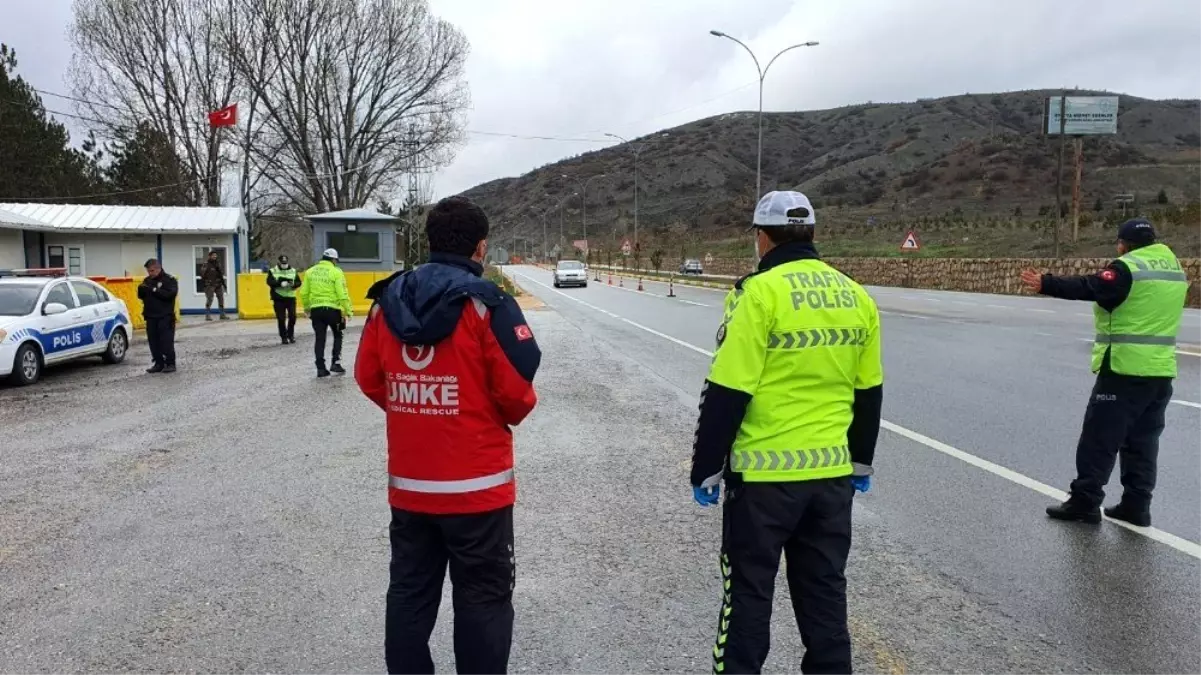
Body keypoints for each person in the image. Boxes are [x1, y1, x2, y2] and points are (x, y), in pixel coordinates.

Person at [691, 191, 883, 674]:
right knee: (825, 600)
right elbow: (869, 392)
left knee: (748, 601)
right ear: (812, 233)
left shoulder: (757, 294)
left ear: (762, 236)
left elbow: (727, 391)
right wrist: (861, 462)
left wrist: (706, 467)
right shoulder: (856, 296)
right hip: (832, 480)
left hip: (762, 483)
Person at [355, 195, 541, 675]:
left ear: (430, 242)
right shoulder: (486, 305)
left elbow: (369, 377)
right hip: (479, 491)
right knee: (483, 598)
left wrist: (413, 410)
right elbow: (518, 395)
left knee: (409, 595)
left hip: (411, 488)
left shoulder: (386, 302)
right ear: (481, 248)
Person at [1021, 218, 1187, 527]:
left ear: (1123, 243)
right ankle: (1136, 506)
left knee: (1099, 438)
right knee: (1143, 442)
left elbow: (1092, 286)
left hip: (1124, 369)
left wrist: (1047, 283)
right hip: (1160, 371)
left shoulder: (1127, 268)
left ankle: (1085, 502)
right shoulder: (1174, 268)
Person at [299, 248, 352, 377]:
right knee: (338, 334)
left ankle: (320, 368)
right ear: (334, 260)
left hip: (316, 310)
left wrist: (307, 308)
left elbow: (304, 293)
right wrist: (347, 311)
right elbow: (342, 294)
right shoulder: (336, 272)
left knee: (320, 338)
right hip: (333, 310)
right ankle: (336, 363)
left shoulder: (310, 272)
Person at [137, 258, 179, 374]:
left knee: (166, 341)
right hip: (151, 316)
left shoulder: (169, 280)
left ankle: (170, 363)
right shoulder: (147, 281)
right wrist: (141, 289)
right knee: (153, 341)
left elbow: (170, 295)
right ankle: (158, 363)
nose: (149, 274)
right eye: (148, 271)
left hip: (165, 316)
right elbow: (141, 296)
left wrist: (154, 290)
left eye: (151, 271)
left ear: (158, 268)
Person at [266, 254, 302, 345]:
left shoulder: (293, 271)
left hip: (290, 297)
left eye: (285, 263)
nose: (284, 264)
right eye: (282, 263)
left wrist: (293, 284)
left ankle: (291, 335)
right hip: (278, 298)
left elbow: (299, 282)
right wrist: (280, 284)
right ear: (279, 262)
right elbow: (269, 282)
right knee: (281, 319)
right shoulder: (273, 271)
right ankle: (284, 337)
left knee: (293, 317)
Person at [200, 250, 228, 321]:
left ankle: (222, 315)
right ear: (209, 256)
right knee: (210, 300)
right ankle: (207, 316)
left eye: (215, 255)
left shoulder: (218, 264)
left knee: (221, 299)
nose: (215, 256)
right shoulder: (206, 264)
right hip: (209, 285)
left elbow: (220, 274)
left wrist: (224, 284)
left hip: (218, 284)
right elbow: (202, 275)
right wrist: (204, 285)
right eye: (213, 255)